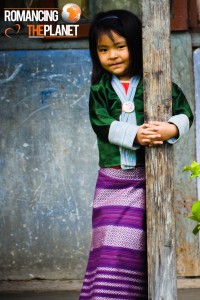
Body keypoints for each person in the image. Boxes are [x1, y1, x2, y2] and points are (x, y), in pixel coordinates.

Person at [79, 9, 193, 300]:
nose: (113, 55)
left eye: (120, 46)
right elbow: (100, 122)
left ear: (136, 46)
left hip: (147, 180)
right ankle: (106, 295)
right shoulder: (101, 90)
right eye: (103, 49)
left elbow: (184, 112)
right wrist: (135, 135)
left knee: (138, 241)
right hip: (112, 181)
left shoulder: (156, 82)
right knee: (109, 242)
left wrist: (169, 128)